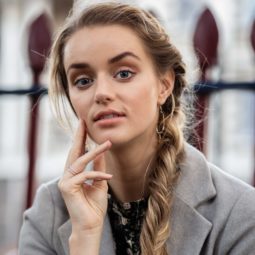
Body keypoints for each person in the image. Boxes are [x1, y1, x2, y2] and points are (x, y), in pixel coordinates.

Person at [19, 2, 255, 255]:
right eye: (84, 81)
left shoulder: (239, 213)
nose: (102, 94)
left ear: (164, 85)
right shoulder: (48, 213)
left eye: (123, 74)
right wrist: (85, 238)